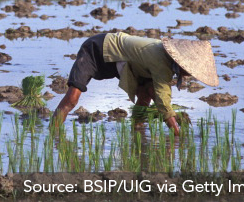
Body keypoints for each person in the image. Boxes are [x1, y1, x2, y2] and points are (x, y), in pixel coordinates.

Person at [53, 32, 218, 136]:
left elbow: (160, 94)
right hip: (96, 49)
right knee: (72, 98)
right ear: (181, 62)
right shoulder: (161, 62)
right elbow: (163, 102)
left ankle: (138, 132)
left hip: (125, 63)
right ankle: (53, 135)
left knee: (147, 92)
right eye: (190, 69)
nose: (190, 74)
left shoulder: (165, 60)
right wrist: (178, 135)